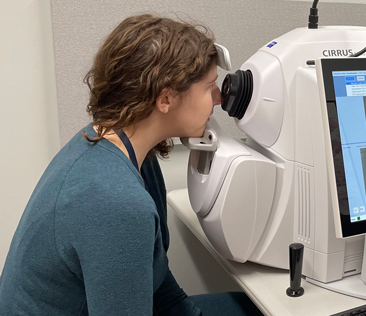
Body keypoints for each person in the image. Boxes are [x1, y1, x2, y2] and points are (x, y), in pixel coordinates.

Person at [0, 14, 262, 315]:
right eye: (209, 86)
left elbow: (159, 286)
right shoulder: (116, 202)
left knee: (249, 307)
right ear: (165, 99)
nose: (218, 98)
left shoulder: (118, 147)